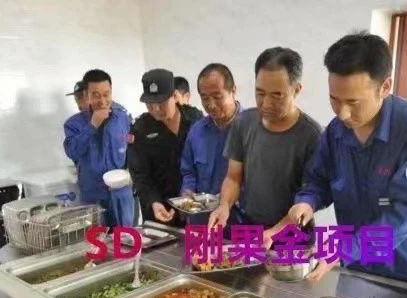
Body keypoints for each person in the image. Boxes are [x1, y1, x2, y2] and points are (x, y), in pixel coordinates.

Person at [287, 32, 407, 289]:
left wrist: (344, 250)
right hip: (358, 265)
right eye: (334, 99)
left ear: (385, 87)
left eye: (353, 102)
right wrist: (306, 202)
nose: (342, 113)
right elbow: (318, 180)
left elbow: (405, 210)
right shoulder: (335, 132)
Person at [208, 47, 322, 238]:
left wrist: (274, 232)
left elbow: (309, 199)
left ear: (296, 90)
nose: (266, 103)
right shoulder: (243, 123)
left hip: (292, 234)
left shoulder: (312, 136)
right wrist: (224, 206)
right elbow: (234, 177)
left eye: (277, 95)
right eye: (260, 93)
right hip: (249, 226)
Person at [129, 69, 203, 225]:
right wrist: (153, 201)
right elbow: (140, 174)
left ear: (174, 96)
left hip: (194, 205)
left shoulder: (194, 119)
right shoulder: (140, 129)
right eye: (150, 104)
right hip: (160, 209)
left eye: (161, 102)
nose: (156, 109)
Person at [63, 69, 135, 227]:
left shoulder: (122, 118)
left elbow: (131, 146)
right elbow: (72, 152)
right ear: (87, 95)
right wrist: (92, 125)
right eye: (96, 95)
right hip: (93, 197)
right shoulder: (73, 124)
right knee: (98, 241)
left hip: (122, 194)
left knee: (126, 239)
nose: (102, 101)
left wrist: (132, 173)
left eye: (106, 94)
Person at [180, 63, 242, 225]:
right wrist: (187, 192)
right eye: (205, 98)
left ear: (233, 91)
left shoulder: (251, 128)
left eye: (217, 96)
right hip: (202, 221)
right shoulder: (197, 131)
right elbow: (189, 172)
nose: (211, 105)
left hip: (240, 221)